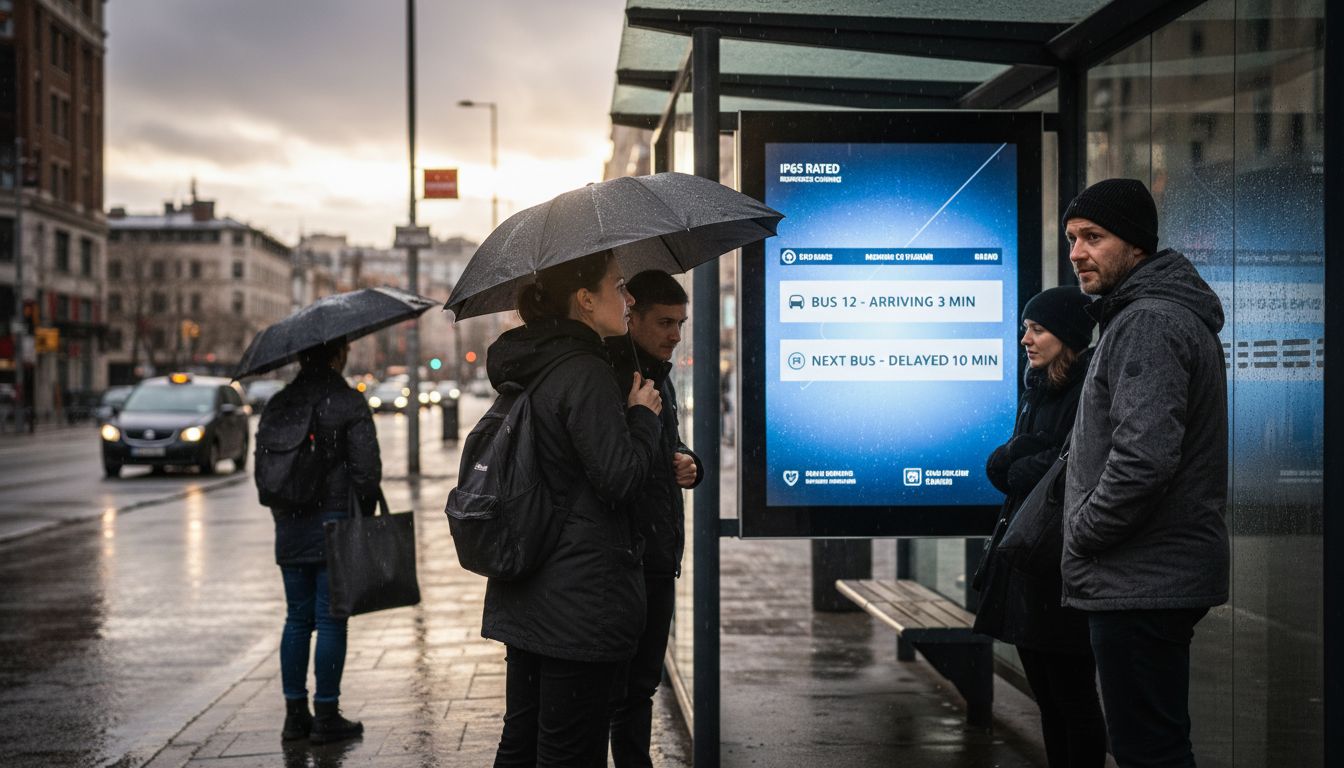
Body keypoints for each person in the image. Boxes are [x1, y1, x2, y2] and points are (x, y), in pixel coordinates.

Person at [1060, 178, 1229, 768]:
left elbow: (1143, 459)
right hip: (1149, 573)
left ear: (1135, 245)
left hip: (1140, 577)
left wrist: (1083, 531)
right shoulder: (1148, 316)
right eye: (1072, 239)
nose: (1077, 252)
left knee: (1147, 751)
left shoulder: (1148, 322)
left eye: (1093, 237)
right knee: (1154, 742)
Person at [484, 249, 664, 767]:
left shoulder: (537, 362)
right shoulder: (583, 371)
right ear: (586, 300)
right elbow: (620, 479)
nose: (630, 299)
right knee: (570, 752)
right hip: (580, 599)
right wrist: (642, 416)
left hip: (530, 584)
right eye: (621, 286)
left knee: (520, 743)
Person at [977, 286, 1105, 768]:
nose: (1025, 339)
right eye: (1025, 328)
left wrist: (1026, 460)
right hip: (1026, 562)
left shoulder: (1089, 387)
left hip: (1063, 565)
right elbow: (1009, 467)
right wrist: (1020, 457)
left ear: (1067, 335)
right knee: (1048, 699)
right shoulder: (1036, 385)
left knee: (1073, 696)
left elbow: (1073, 467)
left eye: (1038, 329)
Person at [604, 270, 702, 768]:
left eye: (681, 323)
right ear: (631, 315)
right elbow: (616, 471)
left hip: (659, 555)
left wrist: (687, 462)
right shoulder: (613, 376)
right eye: (664, 322)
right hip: (628, 557)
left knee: (640, 686)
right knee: (621, 689)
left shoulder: (658, 375)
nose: (675, 335)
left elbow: (667, 447)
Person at [266, 339, 381, 744]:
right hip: (334, 520)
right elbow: (367, 471)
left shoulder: (279, 403)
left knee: (297, 618)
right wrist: (363, 513)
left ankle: (294, 717)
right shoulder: (347, 402)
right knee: (332, 617)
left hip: (290, 524)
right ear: (337, 355)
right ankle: (327, 714)